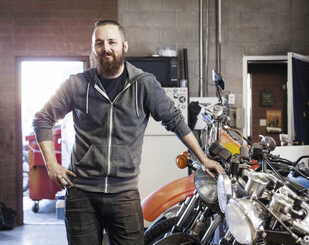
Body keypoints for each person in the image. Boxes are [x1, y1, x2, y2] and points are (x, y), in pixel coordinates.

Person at [32, 20, 224, 245]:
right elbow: (42, 119)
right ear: (93, 49)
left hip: (124, 195)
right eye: (99, 43)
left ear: (124, 46)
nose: (106, 48)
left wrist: (202, 159)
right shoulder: (77, 84)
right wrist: (51, 165)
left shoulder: (144, 84)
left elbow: (175, 121)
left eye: (112, 42)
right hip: (81, 194)